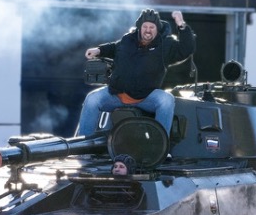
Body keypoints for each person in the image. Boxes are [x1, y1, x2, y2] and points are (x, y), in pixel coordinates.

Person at [77, 9, 196, 137]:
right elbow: (115, 47)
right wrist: (99, 50)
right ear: (140, 28)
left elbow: (186, 48)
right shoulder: (128, 39)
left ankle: (159, 144)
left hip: (146, 97)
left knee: (167, 100)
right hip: (117, 95)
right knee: (92, 99)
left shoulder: (166, 45)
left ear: (157, 29)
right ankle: (83, 144)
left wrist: (181, 24)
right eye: (145, 26)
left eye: (152, 27)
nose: (148, 30)